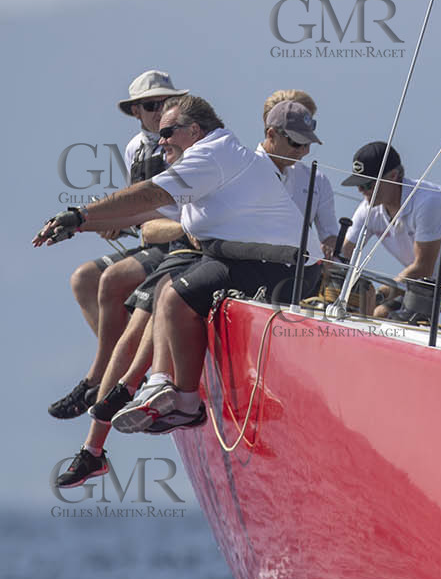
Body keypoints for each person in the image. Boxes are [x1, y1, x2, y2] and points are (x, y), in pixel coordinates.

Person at [34, 94, 308, 442]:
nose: (160, 140)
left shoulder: (211, 154)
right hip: (248, 257)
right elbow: (147, 213)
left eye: (168, 132)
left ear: (194, 130)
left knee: (176, 295)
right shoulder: (208, 157)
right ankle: (157, 385)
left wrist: (80, 213)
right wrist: (76, 226)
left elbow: (150, 194)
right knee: (167, 291)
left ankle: (184, 401)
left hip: (278, 265)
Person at [48, 70, 190, 420]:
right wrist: (104, 224)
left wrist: (97, 219)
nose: (161, 110)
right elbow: (137, 207)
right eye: (152, 105)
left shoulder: (183, 143)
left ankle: (99, 378)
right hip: (149, 238)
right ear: (136, 112)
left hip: (179, 240)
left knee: (111, 280)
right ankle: (118, 369)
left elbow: (174, 208)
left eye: (168, 103)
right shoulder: (134, 148)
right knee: (83, 278)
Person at [341, 142, 441, 333]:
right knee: (380, 315)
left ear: (393, 176)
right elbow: (345, 253)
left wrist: (378, 295)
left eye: (367, 185)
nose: (361, 191)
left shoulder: (427, 203)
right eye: (358, 185)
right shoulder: (367, 208)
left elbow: (423, 267)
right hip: (430, 279)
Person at [259, 90, 339, 258]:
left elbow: (330, 236)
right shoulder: (244, 166)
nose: (304, 151)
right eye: (296, 140)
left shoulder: (316, 180)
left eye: (307, 141)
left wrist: (329, 250)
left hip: (295, 271)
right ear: (271, 133)